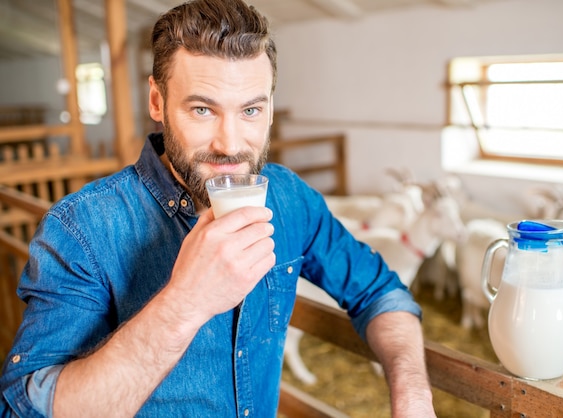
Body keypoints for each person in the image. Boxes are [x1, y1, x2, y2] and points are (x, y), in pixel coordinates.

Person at [0, 0, 435, 416]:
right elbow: (27, 410)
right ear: (157, 102)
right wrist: (185, 303)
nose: (229, 144)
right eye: (203, 109)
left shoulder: (289, 197)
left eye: (250, 110)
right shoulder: (82, 227)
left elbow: (379, 291)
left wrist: (413, 396)